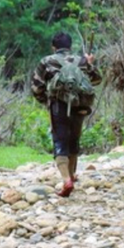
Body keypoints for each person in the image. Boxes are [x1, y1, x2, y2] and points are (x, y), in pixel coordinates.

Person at [32, 31, 102, 197]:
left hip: (58, 106)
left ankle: (66, 180)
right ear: (70, 46)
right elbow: (97, 79)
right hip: (80, 106)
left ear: (53, 47)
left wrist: (46, 101)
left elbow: (36, 87)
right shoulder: (81, 61)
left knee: (60, 141)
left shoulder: (47, 61)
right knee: (74, 140)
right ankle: (71, 175)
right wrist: (89, 64)